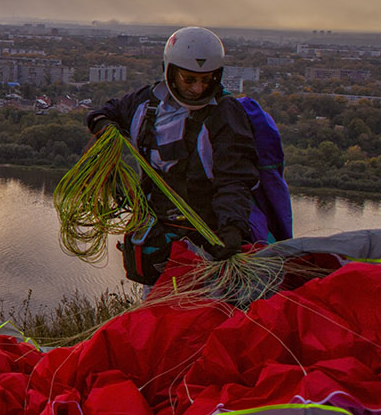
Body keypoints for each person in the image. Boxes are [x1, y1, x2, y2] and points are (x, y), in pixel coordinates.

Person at [85, 26, 259, 284]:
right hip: (157, 236)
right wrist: (101, 125)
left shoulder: (225, 115)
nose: (198, 89)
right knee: (158, 313)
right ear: (171, 72)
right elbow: (105, 113)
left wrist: (232, 227)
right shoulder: (146, 104)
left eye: (207, 79)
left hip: (207, 238)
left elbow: (233, 179)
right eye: (189, 79)